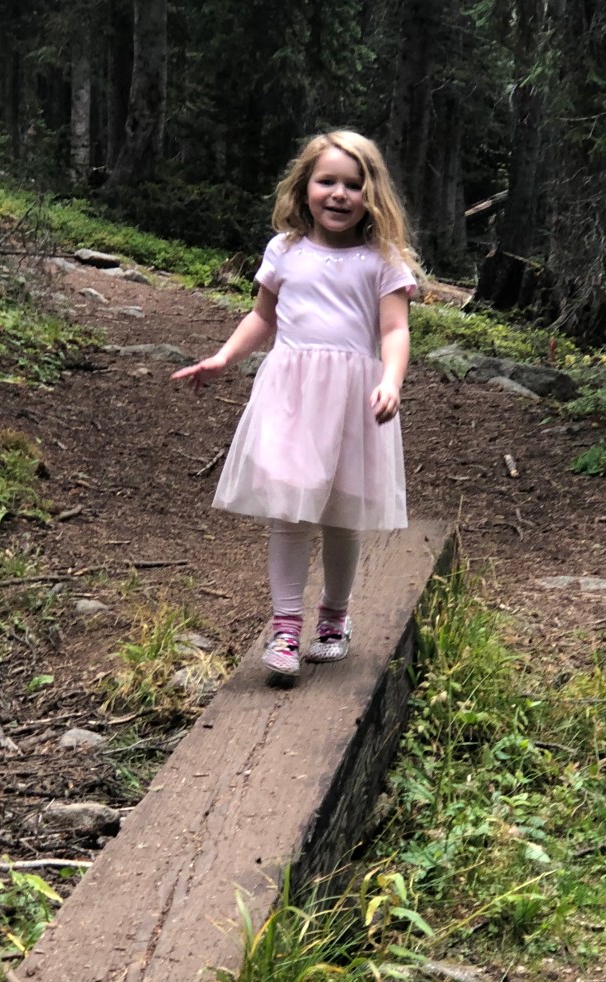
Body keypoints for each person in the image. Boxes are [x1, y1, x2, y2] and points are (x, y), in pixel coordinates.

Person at [172, 130, 421, 680]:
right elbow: (262, 316)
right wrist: (223, 358)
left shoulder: (383, 259)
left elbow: (395, 330)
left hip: (354, 399)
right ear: (305, 186)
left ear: (371, 194)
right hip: (291, 396)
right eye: (327, 181)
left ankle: (333, 617)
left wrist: (392, 381)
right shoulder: (284, 250)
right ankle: (285, 627)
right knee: (288, 510)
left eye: (353, 185)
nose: (339, 194)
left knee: (340, 514)